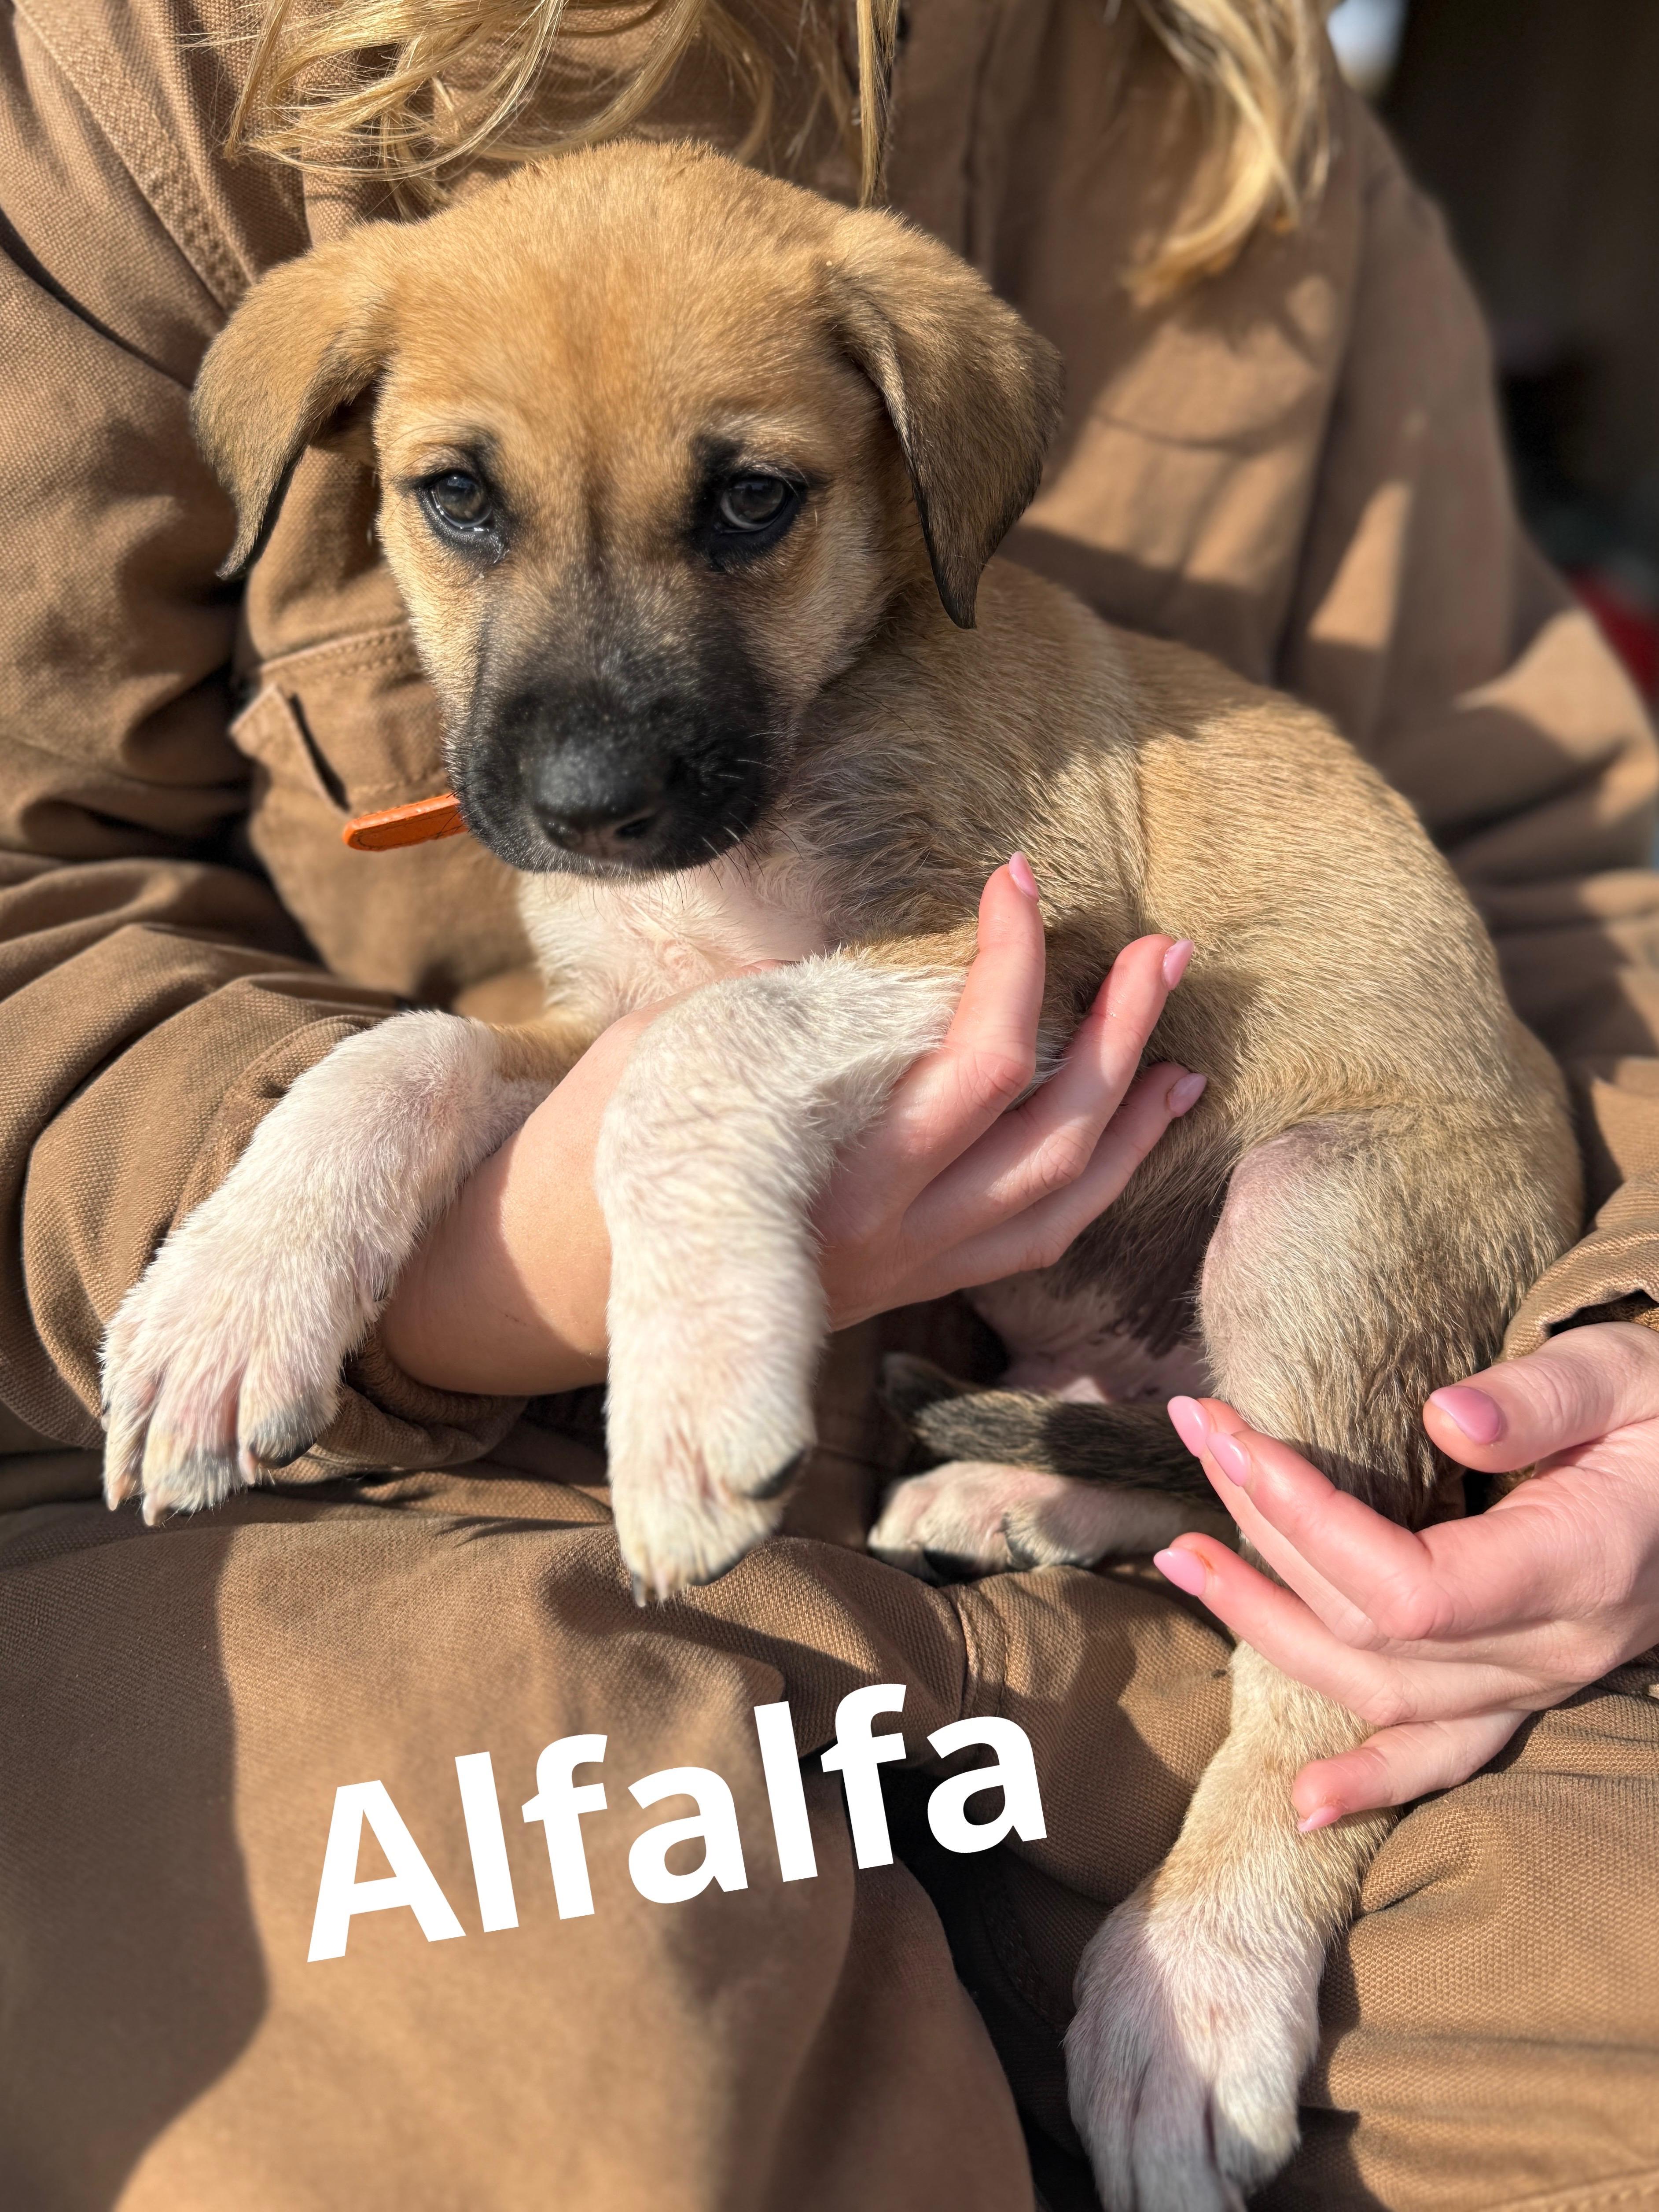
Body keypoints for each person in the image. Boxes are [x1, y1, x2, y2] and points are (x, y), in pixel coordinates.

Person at [1, 2, 1655, 2207]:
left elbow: (1530, 884)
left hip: (1280, 1352)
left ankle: (1272, 1810)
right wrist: (448, 1223)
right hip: (455, 1546)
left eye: (748, 512)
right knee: (597, 2111)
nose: (585, 752)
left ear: (910, 477)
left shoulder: (1229, 160)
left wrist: (1632, 1356)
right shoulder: (152, 79)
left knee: (1597, 2041)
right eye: (467, 510)